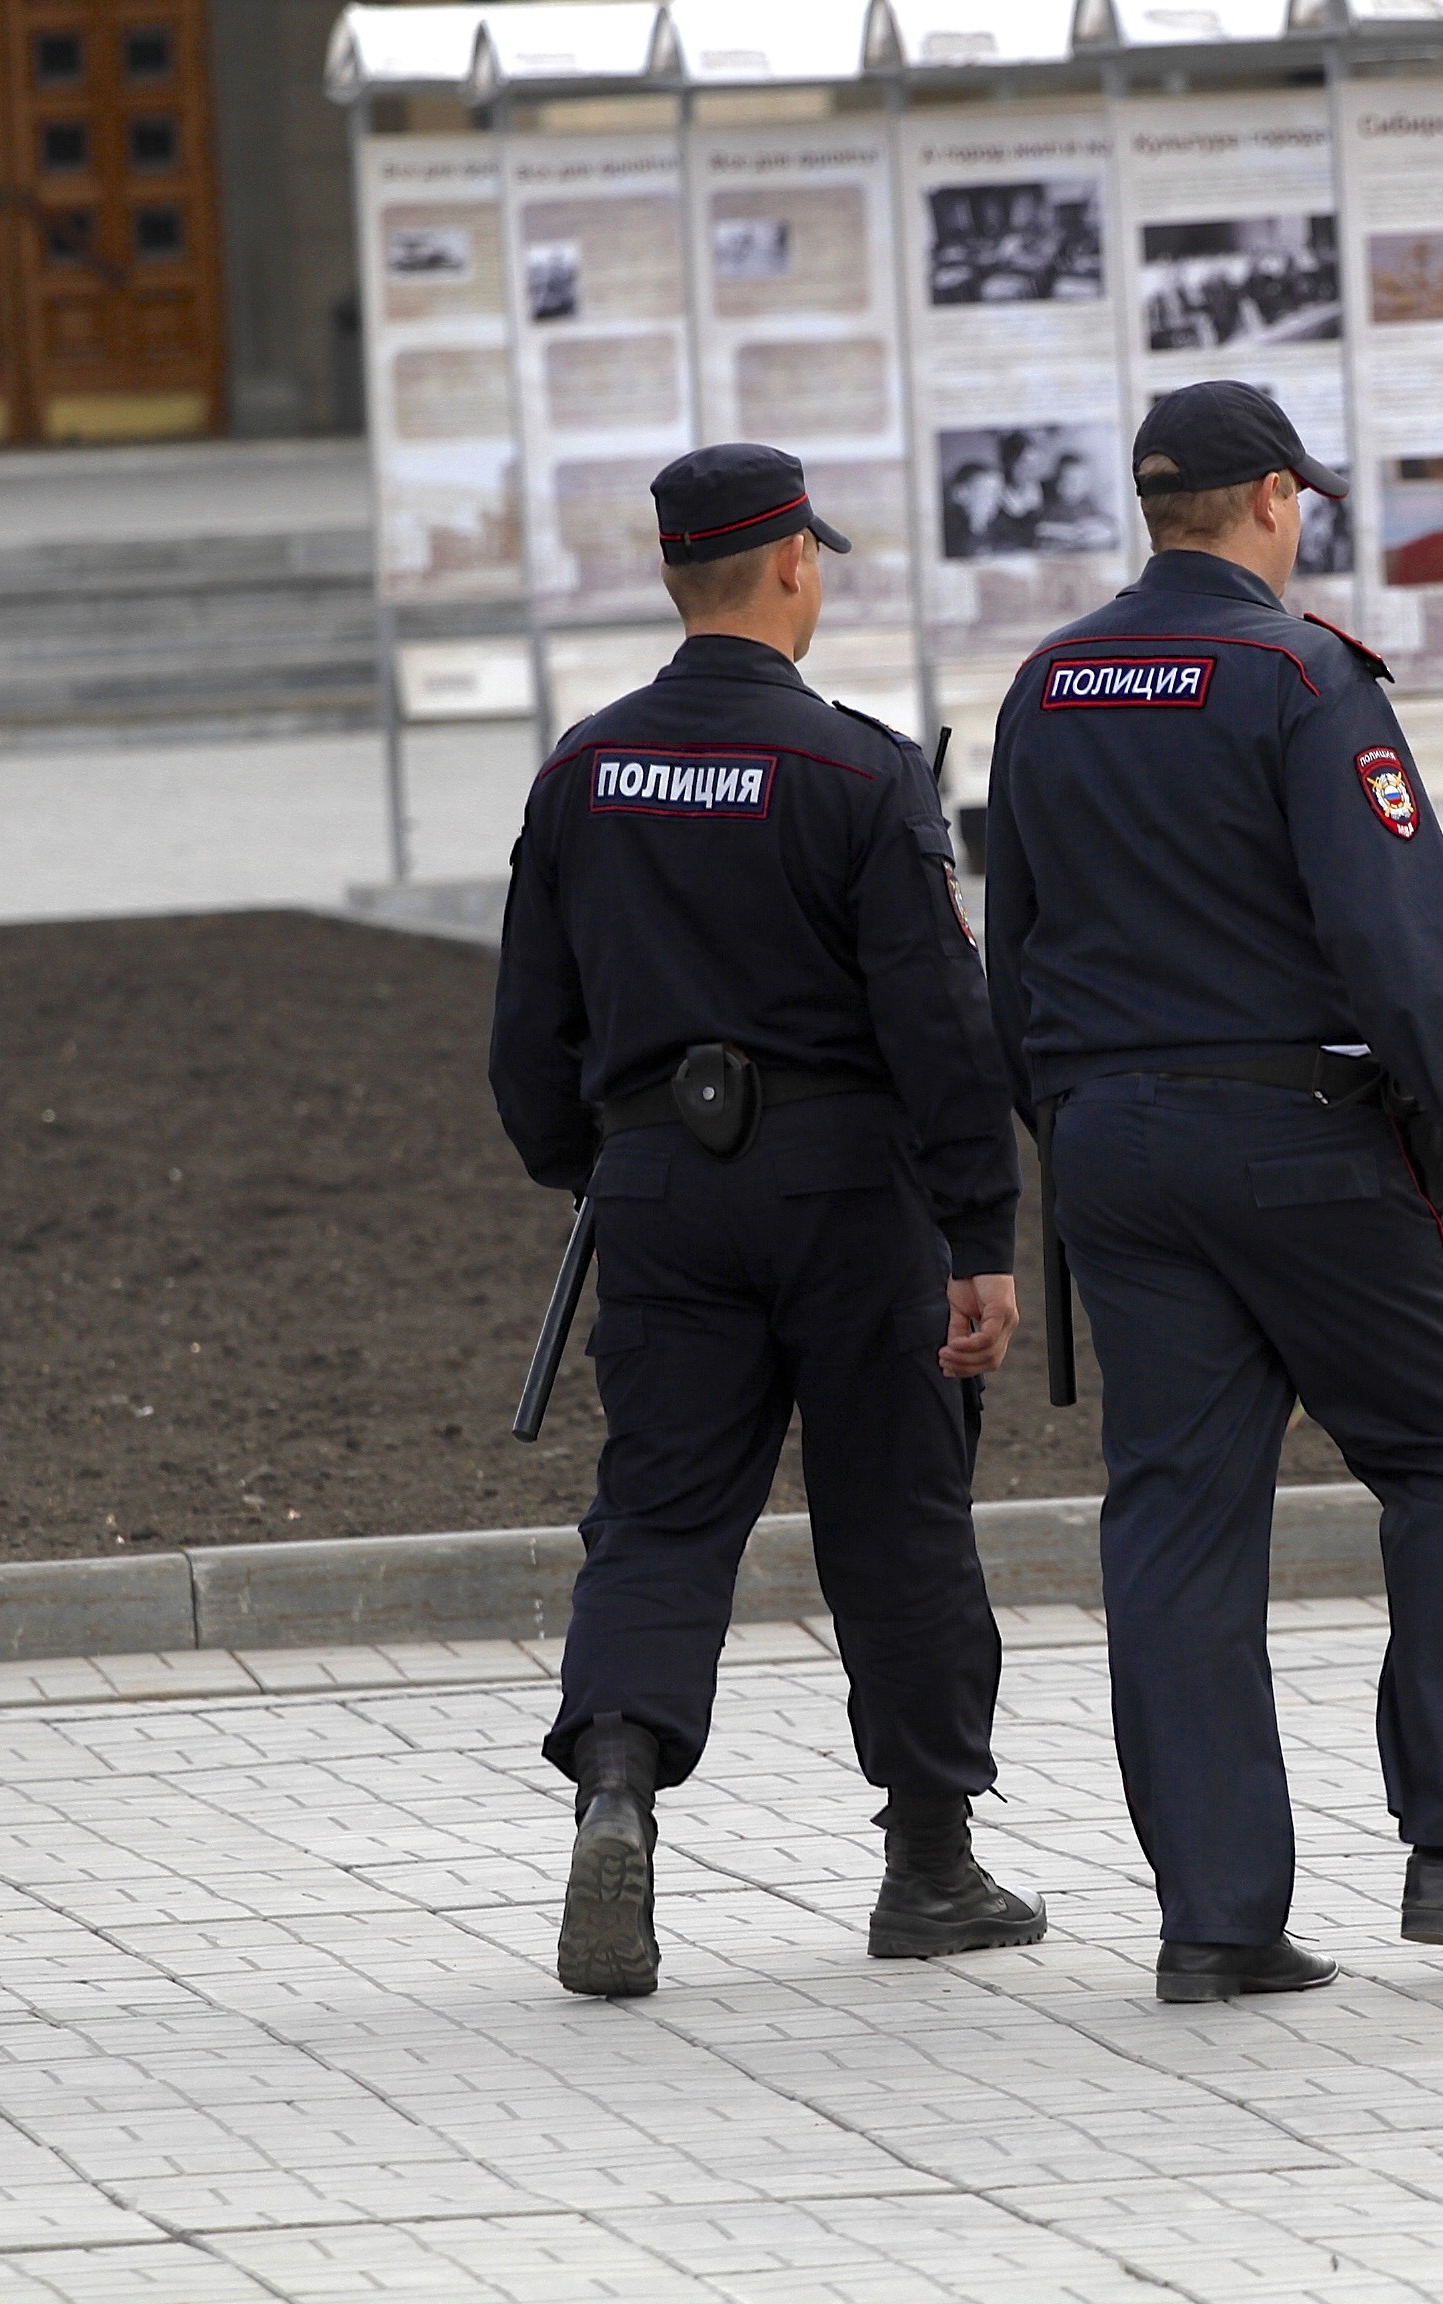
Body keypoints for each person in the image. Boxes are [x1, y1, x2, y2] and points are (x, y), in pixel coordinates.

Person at [982, 381, 1443, 2006]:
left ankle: (1218, 1914)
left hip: (1114, 1148)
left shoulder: (1049, 683)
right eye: (1303, 497)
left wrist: (1062, 1117)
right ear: (1271, 498)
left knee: (1179, 1518)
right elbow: (1399, 934)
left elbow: (1013, 948)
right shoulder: (1299, 674)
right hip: (1305, 1144)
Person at [490, 441, 1040, 2000]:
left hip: (658, 1185)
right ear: (793, 563)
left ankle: (616, 1789)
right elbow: (942, 1023)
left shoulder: (582, 771)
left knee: (661, 1515)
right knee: (900, 1521)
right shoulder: (864, 774)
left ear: (678, 576)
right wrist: (980, 1230)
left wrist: (597, 1168)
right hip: (850, 1199)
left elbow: (529, 1033)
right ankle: (929, 1867)